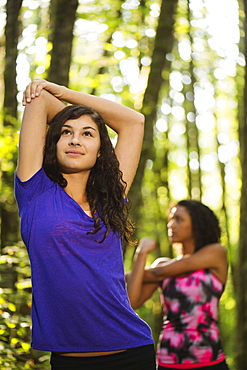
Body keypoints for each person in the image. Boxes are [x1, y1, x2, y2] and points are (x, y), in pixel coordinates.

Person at [15, 79, 156, 370]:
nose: (75, 140)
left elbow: (133, 121)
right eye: (66, 133)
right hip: (69, 360)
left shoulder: (112, 197)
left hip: (132, 350)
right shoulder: (35, 191)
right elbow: (39, 99)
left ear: (102, 151)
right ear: (52, 142)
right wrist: (71, 114)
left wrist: (64, 95)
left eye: (88, 135)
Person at [126, 200, 230, 370]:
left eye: (179, 219)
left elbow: (157, 273)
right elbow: (132, 302)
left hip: (210, 360)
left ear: (196, 224)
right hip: (169, 361)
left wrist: (131, 274)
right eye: (171, 219)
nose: (171, 224)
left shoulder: (216, 253)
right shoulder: (163, 264)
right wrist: (141, 253)